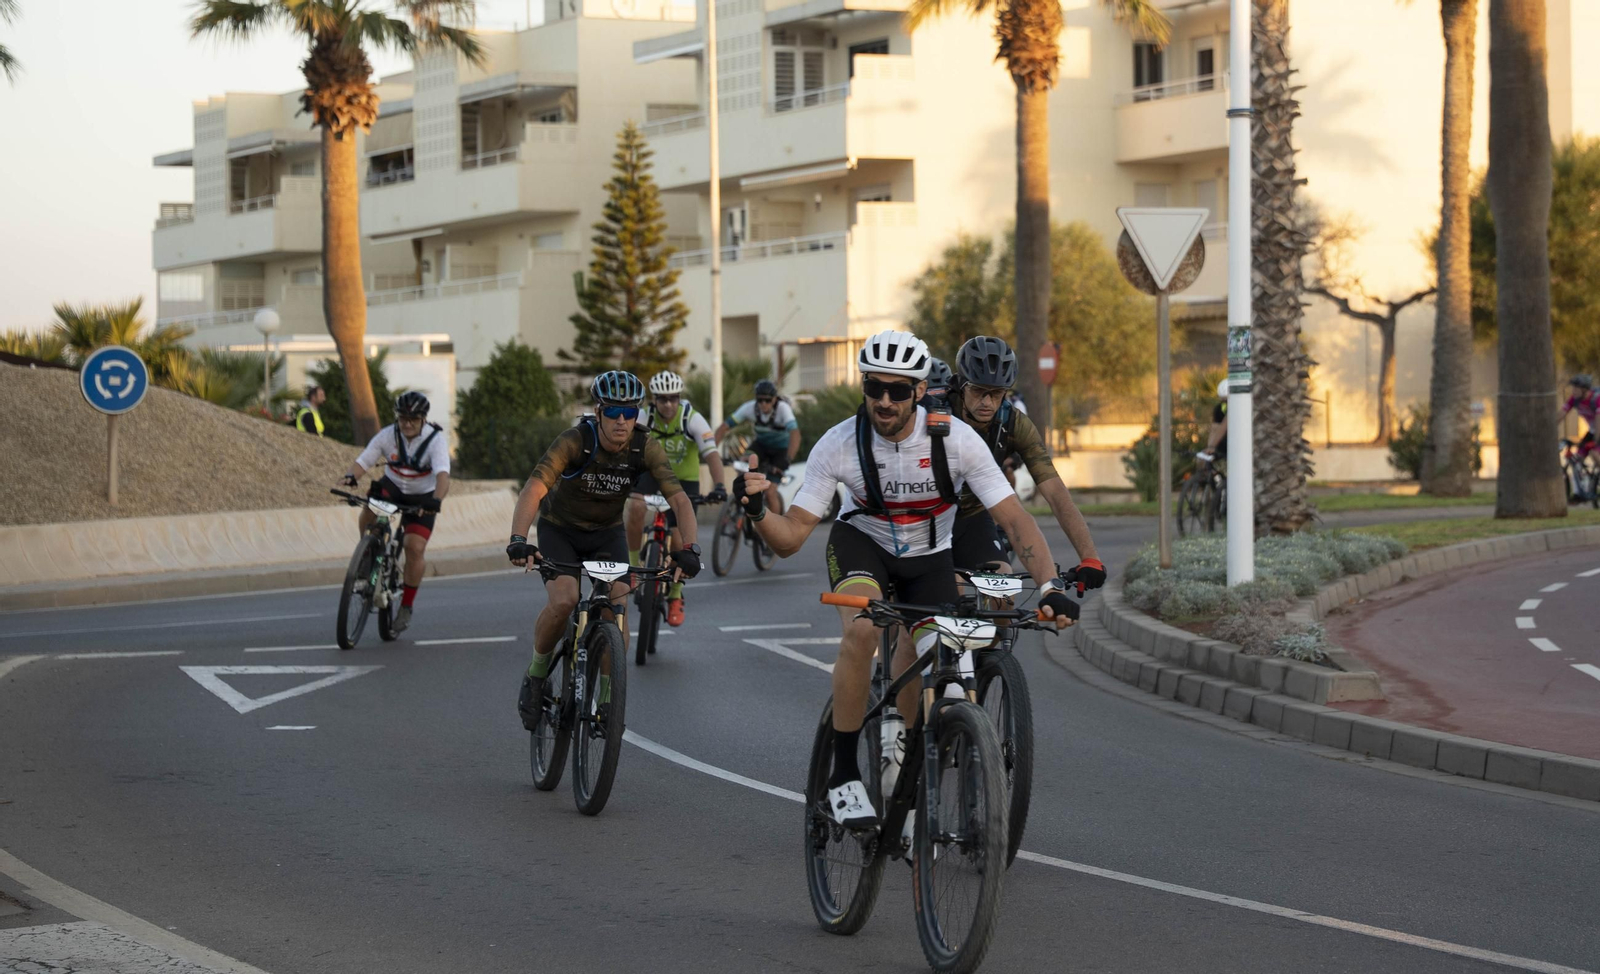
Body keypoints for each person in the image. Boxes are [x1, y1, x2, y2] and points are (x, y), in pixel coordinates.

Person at [737, 330, 1079, 829]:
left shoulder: (957, 441)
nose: (884, 401)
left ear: (921, 391)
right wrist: (756, 513)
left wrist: (1050, 588)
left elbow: (1016, 522)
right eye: (874, 387)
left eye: (898, 391)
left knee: (933, 653)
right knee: (862, 630)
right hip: (862, 546)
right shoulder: (837, 444)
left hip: (929, 559)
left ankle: (913, 759)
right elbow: (790, 538)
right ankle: (845, 773)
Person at [506, 371, 703, 730]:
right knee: (564, 600)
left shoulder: (645, 446)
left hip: (606, 535)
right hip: (560, 530)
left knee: (618, 605)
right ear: (599, 411)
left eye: (630, 412)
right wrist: (519, 538)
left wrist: (689, 548)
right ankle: (536, 675)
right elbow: (534, 488)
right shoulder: (575, 440)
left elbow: (679, 499)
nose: (622, 421)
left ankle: (609, 700)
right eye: (613, 412)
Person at [950, 336, 1106, 586]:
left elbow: (1055, 491)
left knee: (1003, 592)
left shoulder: (1014, 423)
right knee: (950, 589)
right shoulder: (937, 411)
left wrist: (1090, 557)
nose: (987, 402)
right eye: (979, 391)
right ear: (961, 385)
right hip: (930, 518)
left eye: (997, 393)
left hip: (973, 518)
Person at [337, 391, 448, 635]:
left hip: (422, 497)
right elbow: (364, 460)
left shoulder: (436, 440)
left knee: (414, 546)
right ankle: (367, 554)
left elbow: (442, 476)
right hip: (393, 488)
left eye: (413, 419)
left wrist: (436, 500)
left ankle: (406, 606)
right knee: (369, 508)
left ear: (423, 419)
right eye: (402, 418)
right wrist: (350, 477)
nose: (407, 424)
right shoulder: (388, 435)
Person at [625, 370, 728, 627]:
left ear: (679, 397)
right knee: (635, 506)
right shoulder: (643, 417)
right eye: (662, 399)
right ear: (654, 400)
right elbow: (624, 447)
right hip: (652, 476)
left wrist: (719, 485)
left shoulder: (692, 419)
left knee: (680, 535)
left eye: (672, 398)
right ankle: (633, 564)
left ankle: (675, 594)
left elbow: (712, 454)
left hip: (684, 482)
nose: (668, 404)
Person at [714, 378, 799, 516]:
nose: (763, 404)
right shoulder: (749, 408)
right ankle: (740, 509)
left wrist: (788, 459)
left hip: (780, 451)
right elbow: (723, 428)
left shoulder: (783, 409)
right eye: (760, 400)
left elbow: (795, 435)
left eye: (767, 400)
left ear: (774, 399)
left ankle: (775, 529)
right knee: (744, 462)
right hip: (761, 446)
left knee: (771, 492)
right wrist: (712, 453)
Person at [1560, 373, 1599, 462]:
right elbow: (1561, 414)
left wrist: (1596, 441)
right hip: (1593, 431)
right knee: (1578, 457)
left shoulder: (1596, 399)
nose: (1573, 391)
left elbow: (1598, 420)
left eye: (1575, 388)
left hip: (1598, 430)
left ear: (1584, 389)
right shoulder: (1575, 399)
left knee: (1595, 454)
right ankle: (1580, 476)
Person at [1197, 378, 1230, 467]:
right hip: (1224, 442)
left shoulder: (1238, 406)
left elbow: (1224, 426)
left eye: (1227, 400)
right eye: (1223, 401)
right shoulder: (1219, 408)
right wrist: (1210, 447)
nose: (1225, 404)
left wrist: (1212, 446)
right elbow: (1215, 428)